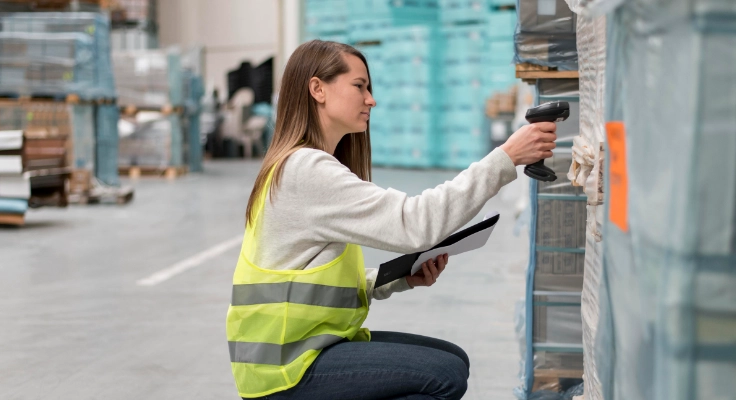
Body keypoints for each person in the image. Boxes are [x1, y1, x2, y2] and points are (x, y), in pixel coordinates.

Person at [226, 40, 557, 400]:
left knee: (454, 361)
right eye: (359, 86)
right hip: (286, 368)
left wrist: (399, 278)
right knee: (445, 374)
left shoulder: (299, 164)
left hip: (299, 350)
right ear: (318, 89)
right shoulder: (305, 169)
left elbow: (312, 283)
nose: (371, 100)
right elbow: (413, 224)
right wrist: (506, 158)